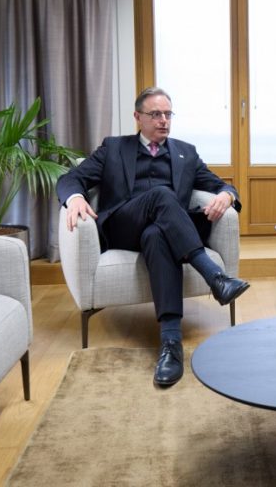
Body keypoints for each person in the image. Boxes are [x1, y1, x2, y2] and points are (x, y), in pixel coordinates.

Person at [57, 87, 249, 387]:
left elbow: (220, 185)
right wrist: (75, 198)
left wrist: (226, 195)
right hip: (122, 227)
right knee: (161, 194)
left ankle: (170, 344)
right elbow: (70, 179)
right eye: (156, 114)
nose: (164, 120)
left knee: (157, 235)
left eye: (168, 114)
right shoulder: (114, 148)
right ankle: (214, 276)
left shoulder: (186, 152)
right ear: (138, 117)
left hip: (163, 231)